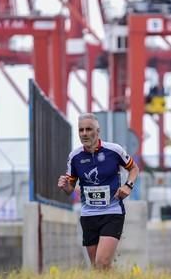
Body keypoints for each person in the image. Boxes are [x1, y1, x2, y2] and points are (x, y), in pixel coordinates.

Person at [57, 113, 140, 270]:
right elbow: (70, 189)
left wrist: (128, 186)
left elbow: (134, 168)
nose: (84, 134)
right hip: (88, 215)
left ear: (98, 131)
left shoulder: (114, 150)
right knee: (98, 267)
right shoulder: (75, 157)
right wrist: (65, 185)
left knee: (102, 262)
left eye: (89, 129)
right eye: (81, 130)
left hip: (112, 212)